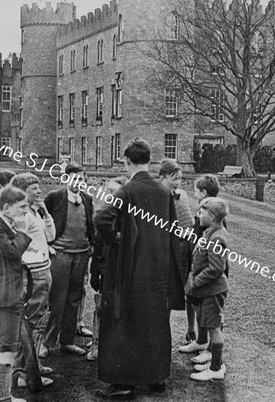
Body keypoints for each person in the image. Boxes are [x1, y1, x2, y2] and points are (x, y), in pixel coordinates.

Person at [94, 138, 184, 399]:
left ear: (127, 161)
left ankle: (123, 382)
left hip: (130, 269)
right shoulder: (163, 191)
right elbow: (173, 231)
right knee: (154, 323)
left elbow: (102, 219)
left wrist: (115, 239)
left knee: (124, 322)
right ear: (149, 160)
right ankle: (155, 378)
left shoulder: (127, 190)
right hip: (157, 270)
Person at [0, 186, 33, 402]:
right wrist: (22, 231)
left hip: (5, 294)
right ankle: (3, 399)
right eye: (22, 207)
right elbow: (12, 251)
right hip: (5, 297)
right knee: (7, 351)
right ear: (7, 207)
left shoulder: (1, 226)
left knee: (1, 347)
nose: (26, 211)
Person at [42, 163, 95, 357]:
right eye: (74, 178)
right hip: (60, 255)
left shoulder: (87, 199)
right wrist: (47, 245)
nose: (78, 182)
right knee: (57, 299)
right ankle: (46, 342)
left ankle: (67, 341)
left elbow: (90, 225)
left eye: (81, 179)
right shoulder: (54, 197)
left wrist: (92, 245)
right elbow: (40, 221)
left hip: (81, 255)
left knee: (74, 298)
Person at [9, 173, 56, 383]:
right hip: (33, 271)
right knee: (33, 320)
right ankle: (24, 371)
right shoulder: (21, 215)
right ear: (21, 192)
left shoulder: (33, 212)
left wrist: (45, 213)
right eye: (34, 188)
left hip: (42, 268)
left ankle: (32, 364)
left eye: (38, 187)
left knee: (38, 317)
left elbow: (50, 236)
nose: (39, 191)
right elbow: (18, 246)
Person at [179, 174, 229, 361]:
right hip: (201, 268)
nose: (194, 194)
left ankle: (211, 352)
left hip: (208, 274)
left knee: (212, 316)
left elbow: (216, 262)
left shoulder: (214, 220)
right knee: (200, 306)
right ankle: (201, 341)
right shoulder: (207, 215)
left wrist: (196, 280)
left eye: (196, 190)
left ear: (204, 193)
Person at [86, 176, 127, 362]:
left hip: (122, 272)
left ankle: (116, 344)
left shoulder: (128, 219)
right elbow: (98, 248)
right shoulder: (104, 217)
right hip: (105, 271)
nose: (111, 196)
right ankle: (96, 344)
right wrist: (96, 272)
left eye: (115, 193)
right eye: (109, 192)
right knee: (101, 308)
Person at [159, 159, 195, 343]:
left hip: (184, 247)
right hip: (165, 250)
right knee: (166, 292)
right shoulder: (157, 196)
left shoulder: (183, 196)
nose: (178, 182)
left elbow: (189, 223)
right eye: (174, 178)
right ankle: (162, 331)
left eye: (180, 179)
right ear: (163, 177)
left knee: (190, 289)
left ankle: (191, 331)